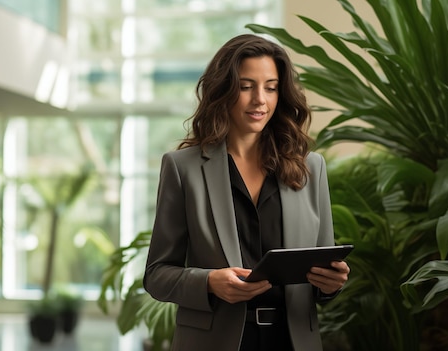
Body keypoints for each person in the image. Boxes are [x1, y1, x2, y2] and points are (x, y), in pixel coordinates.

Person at [143, 33, 350, 351]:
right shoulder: (182, 168)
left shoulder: (311, 167)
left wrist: (331, 284)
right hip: (213, 342)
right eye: (245, 86)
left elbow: (321, 268)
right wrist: (210, 282)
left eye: (271, 87)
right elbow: (157, 275)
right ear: (224, 90)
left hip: (292, 341)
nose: (260, 101)